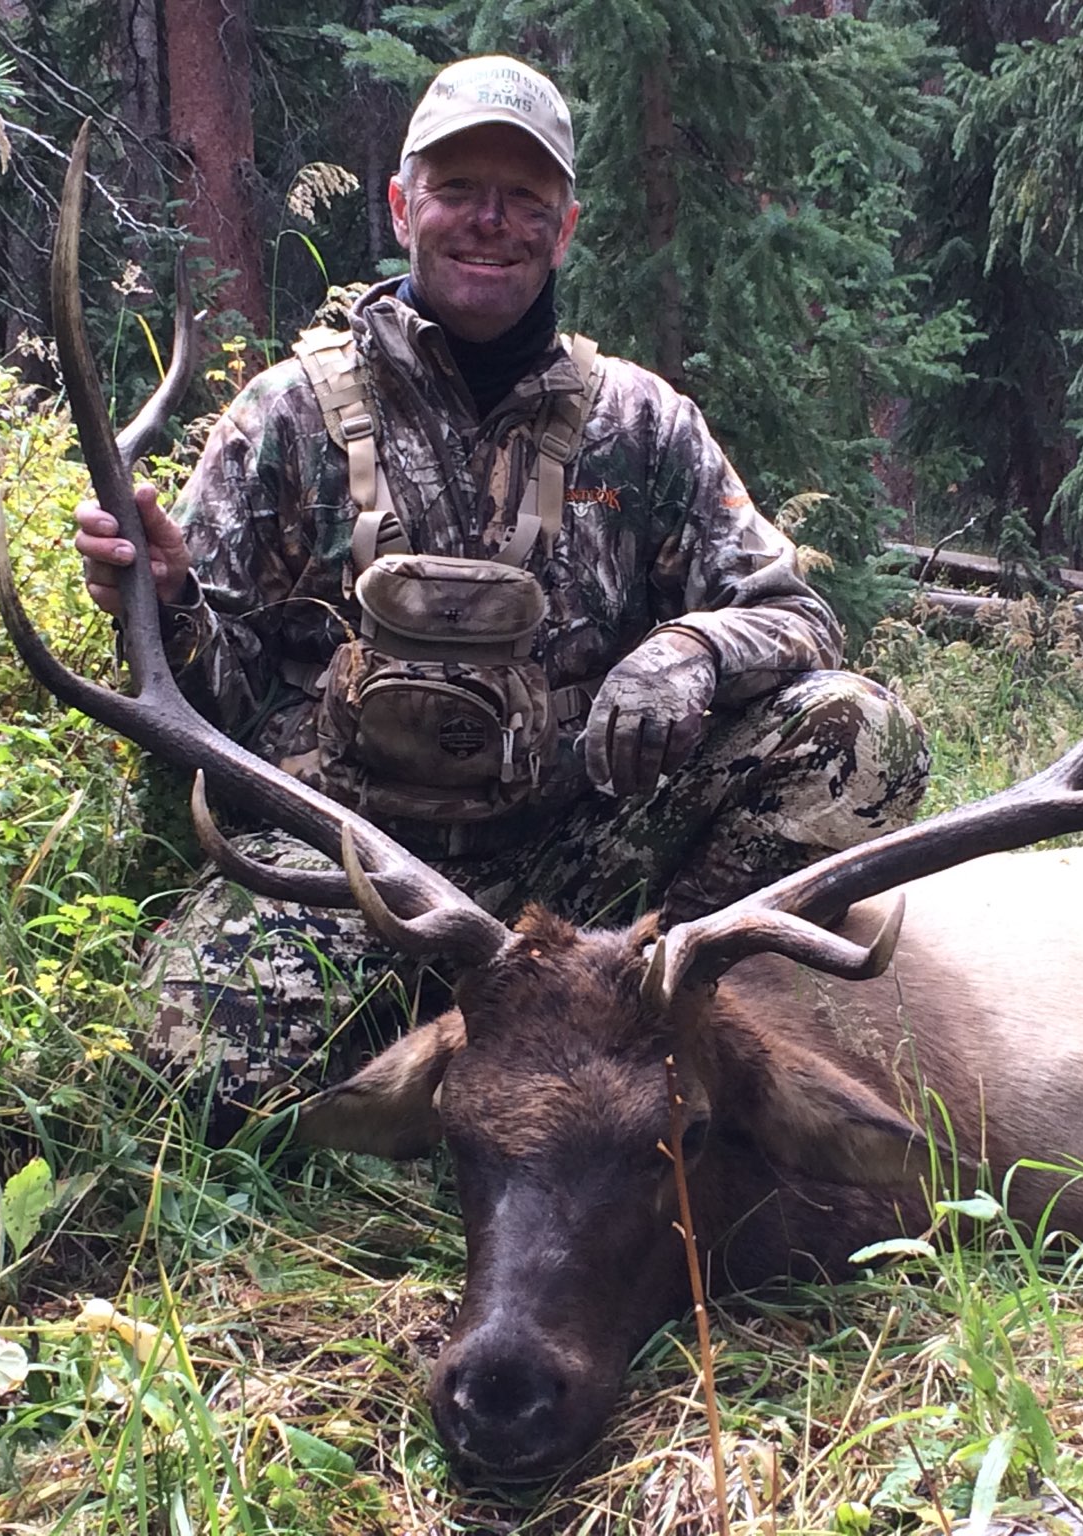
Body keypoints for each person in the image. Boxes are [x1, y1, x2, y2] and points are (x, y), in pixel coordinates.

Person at [74, 55, 930, 1131]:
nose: (491, 221)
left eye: (524, 199)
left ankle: (640, 1024)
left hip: (580, 878)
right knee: (183, 1089)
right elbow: (217, 704)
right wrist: (168, 604)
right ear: (401, 206)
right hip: (353, 868)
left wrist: (692, 650)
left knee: (860, 735)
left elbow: (798, 619)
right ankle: (480, 1051)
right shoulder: (284, 417)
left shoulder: (641, 422)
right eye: (458, 190)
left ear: (563, 227)